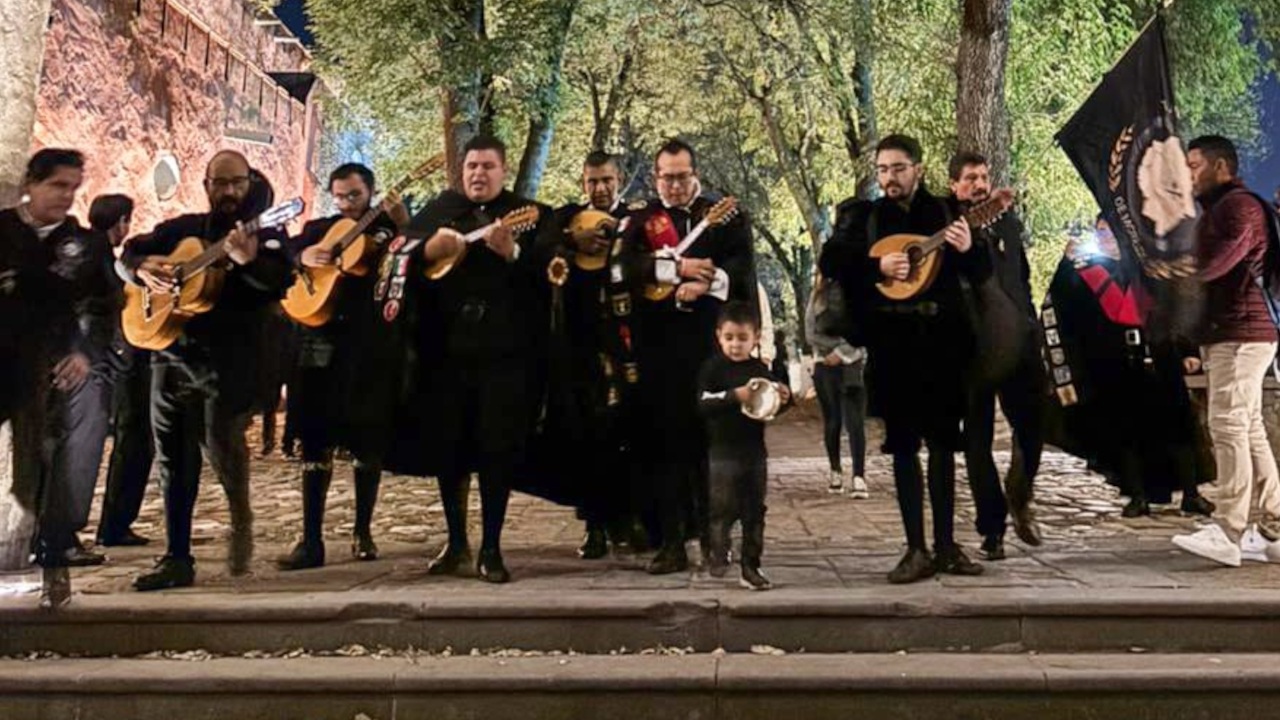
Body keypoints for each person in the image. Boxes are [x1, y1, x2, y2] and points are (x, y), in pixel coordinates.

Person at [819, 134, 986, 584]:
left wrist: (968, 249)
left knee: (944, 445)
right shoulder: (866, 217)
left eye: (898, 168)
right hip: (893, 347)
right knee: (904, 447)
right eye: (883, 170)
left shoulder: (948, 213)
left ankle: (946, 545)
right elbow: (831, 259)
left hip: (942, 344)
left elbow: (981, 273)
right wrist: (877, 267)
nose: (889, 178)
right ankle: (915, 548)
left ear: (918, 169)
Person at [121, 150, 292, 590]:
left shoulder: (267, 233)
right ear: (206, 185)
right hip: (172, 354)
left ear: (250, 183)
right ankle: (176, 556)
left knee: (221, 447)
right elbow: (129, 253)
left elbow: (280, 281)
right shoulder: (182, 229)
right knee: (172, 460)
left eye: (237, 182)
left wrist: (248, 263)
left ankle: (240, 516)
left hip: (230, 360)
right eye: (221, 182)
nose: (229, 191)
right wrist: (141, 270)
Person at [413, 135, 561, 583]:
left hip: (505, 354)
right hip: (446, 351)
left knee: (497, 449)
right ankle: (456, 542)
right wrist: (428, 250)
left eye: (488, 166)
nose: (479, 173)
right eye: (472, 166)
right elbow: (401, 257)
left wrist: (513, 253)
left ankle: (491, 548)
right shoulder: (440, 211)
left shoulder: (531, 215)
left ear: (504, 170)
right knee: (449, 449)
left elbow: (554, 273)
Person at [621, 138, 759, 575]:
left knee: (713, 446)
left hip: (710, 346)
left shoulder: (724, 215)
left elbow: (741, 266)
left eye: (682, 176)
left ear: (695, 174)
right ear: (655, 177)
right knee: (666, 446)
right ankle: (671, 542)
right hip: (659, 349)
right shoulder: (641, 220)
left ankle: (716, 539)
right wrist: (676, 269)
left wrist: (708, 282)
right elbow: (625, 267)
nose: (675, 185)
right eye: (667, 177)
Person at [276, 162, 409, 570]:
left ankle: (362, 531)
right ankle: (310, 539)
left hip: (367, 346)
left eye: (355, 195)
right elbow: (283, 254)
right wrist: (302, 255)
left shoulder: (386, 227)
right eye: (340, 196)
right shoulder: (320, 228)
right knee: (315, 440)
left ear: (371, 191)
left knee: (366, 439)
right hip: (318, 344)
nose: (348, 203)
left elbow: (414, 257)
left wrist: (403, 222)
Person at [0, 149, 104, 607]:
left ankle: (53, 563)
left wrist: (83, 352)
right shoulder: (3, 231)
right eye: (57, 185)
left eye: (73, 188)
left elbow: (102, 305)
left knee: (48, 468)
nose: (66, 196)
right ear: (31, 183)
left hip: (48, 368)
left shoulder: (83, 244)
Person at [1173, 135, 1280, 566]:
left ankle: (1228, 530)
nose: (1187, 175)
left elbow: (1214, 264)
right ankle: (1275, 524)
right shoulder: (1220, 209)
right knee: (1248, 427)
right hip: (1235, 332)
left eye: (1194, 165)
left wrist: (1166, 267)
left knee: (1228, 423)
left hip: (1242, 334)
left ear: (1221, 167)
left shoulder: (1238, 207)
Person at [543, 151, 643, 560]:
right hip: (581, 347)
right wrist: (572, 242)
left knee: (630, 434)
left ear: (619, 179)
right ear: (582, 183)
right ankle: (594, 525)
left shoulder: (636, 221)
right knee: (588, 436)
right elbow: (541, 248)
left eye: (607, 180)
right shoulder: (567, 220)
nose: (600, 188)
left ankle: (630, 519)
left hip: (627, 343)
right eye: (592, 181)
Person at [948, 152, 1045, 560]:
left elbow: (1021, 277)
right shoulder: (948, 226)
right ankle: (992, 528)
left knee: (1032, 427)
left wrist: (1030, 322)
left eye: (984, 176)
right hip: (974, 347)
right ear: (954, 185)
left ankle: (1020, 491)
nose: (979, 184)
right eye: (970, 178)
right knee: (977, 440)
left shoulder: (1006, 221)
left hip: (1019, 340)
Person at [697, 301, 790, 590]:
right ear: (718, 336)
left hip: (753, 451)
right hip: (722, 452)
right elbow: (702, 403)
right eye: (729, 338)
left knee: (754, 510)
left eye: (742, 338)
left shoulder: (759, 369)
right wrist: (734, 395)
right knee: (721, 507)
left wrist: (784, 397)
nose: (735, 345)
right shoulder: (713, 368)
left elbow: (773, 405)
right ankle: (717, 549)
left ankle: (751, 565)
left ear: (755, 337)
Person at [89, 195, 156, 548]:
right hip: (121, 361)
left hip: (116, 360)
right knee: (133, 443)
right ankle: (114, 524)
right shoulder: (102, 260)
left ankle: (114, 524)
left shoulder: (101, 256)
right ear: (120, 222)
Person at [805, 271, 868, 498]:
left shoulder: (860, 292)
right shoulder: (817, 297)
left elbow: (867, 331)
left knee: (855, 423)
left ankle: (859, 476)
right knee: (832, 421)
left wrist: (843, 352)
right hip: (825, 365)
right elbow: (810, 334)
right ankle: (835, 471)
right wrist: (835, 349)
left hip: (854, 366)